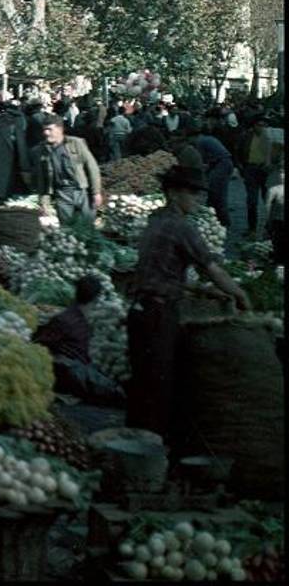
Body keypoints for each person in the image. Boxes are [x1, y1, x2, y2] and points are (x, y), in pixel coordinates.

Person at [125, 166, 250, 449]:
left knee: (143, 382)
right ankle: (152, 452)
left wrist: (197, 289)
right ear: (172, 193)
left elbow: (159, 270)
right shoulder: (181, 226)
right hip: (157, 313)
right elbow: (212, 267)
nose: (197, 198)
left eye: (198, 193)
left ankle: (133, 445)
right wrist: (240, 294)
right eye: (191, 192)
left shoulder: (155, 220)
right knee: (158, 387)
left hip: (140, 310)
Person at [33, 275, 125, 403]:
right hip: (70, 372)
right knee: (114, 391)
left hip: (80, 369)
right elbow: (40, 346)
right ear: (97, 298)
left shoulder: (80, 318)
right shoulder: (65, 320)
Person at [30, 116, 102, 226]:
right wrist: (44, 202)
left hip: (82, 191)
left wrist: (96, 192)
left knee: (87, 227)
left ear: (60, 129)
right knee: (67, 227)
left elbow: (92, 167)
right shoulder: (41, 151)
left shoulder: (76, 143)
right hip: (62, 193)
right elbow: (41, 179)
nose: (46, 133)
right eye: (44, 130)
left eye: (50, 129)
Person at [188, 123, 234, 228]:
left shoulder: (200, 142)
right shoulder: (207, 138)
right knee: (216, 191)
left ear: (192, 137)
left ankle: (223, 221)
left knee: (217, 193)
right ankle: (216, 217)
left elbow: (201, 161)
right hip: (224, 163)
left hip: (221, 164)